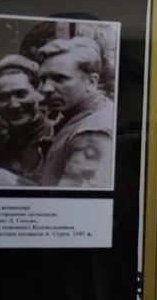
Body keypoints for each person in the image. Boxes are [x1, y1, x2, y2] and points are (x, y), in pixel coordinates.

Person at [34, 37, 115, 187]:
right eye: (43, 80)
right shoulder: (78, 115)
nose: (46, 88)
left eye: (60, 78)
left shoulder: (93, 131)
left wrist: (16, 183)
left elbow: (74, 196)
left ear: (91, 82)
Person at [0, 55, 54, 186]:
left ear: (39, 94)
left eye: (21, 94)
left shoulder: (58, 137)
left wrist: (17, 183)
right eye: (3, 97)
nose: (14, 104)